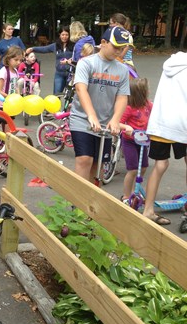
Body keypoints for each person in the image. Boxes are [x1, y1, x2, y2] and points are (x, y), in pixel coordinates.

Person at [69, 26, 132, 184]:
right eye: (116, 47)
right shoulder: (87, 63)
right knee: (84, 159)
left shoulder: (123, 70)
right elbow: (81, 89)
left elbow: (122, 97)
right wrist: (91, 115)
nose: (119, 51)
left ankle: (90, 203)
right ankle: (77, 204)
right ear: (103, 42)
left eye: (122, 48)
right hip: (82, 119)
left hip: (105, 123)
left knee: (97, 166)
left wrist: (116, 119)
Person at [142, 52, 187, 226]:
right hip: (182, 123)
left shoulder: (171, 63)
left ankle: (148, 210)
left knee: (160, 164)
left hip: (162, 121)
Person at [119, 78, 152, 203]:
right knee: (132, 169)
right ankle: (126, 196)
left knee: (143, 167)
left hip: (143, 141)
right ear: (141, 93)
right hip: (130, 141)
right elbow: (118, 123)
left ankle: (135, 190)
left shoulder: (148, 105)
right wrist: (127, 127)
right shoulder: (129, 107)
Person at [26, 25, 73, 95]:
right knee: (56, 95)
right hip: (59, 74)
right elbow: (44, 49)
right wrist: (33, 49)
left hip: (70, 74)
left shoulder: (73, 45)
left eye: (67, 35)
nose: (64, 37)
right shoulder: (56, 45)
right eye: (63, 35)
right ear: (59, 35)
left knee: (69, 96)